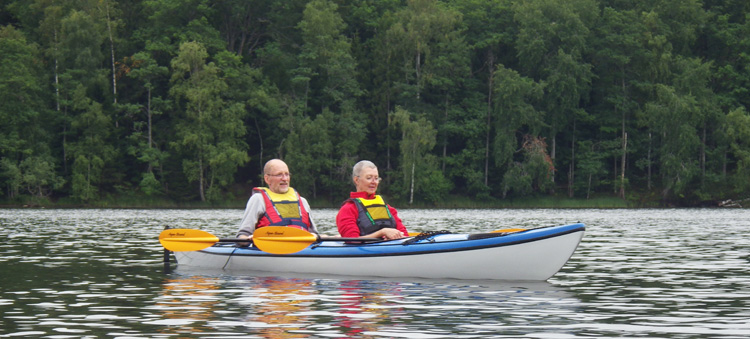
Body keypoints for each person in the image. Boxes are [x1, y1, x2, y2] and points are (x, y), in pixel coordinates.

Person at [237, 159, 318, 242]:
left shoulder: (302, 201)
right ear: (267, 179)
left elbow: (314, 234)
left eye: (287, 174)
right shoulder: (258, 200)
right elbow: (243, 235)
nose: (285, 179)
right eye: (279, 175)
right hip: (269, 248)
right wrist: (246, 240)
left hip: (302, 248)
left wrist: (316, 236)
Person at [336, 160, 408, 240]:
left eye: (376, 178)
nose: (374, 182)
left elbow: (405, 235)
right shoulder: (348, 209)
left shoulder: (388, 208)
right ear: (356, 180)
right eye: (369, 178)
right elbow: (352, 241)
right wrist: (382, 232)